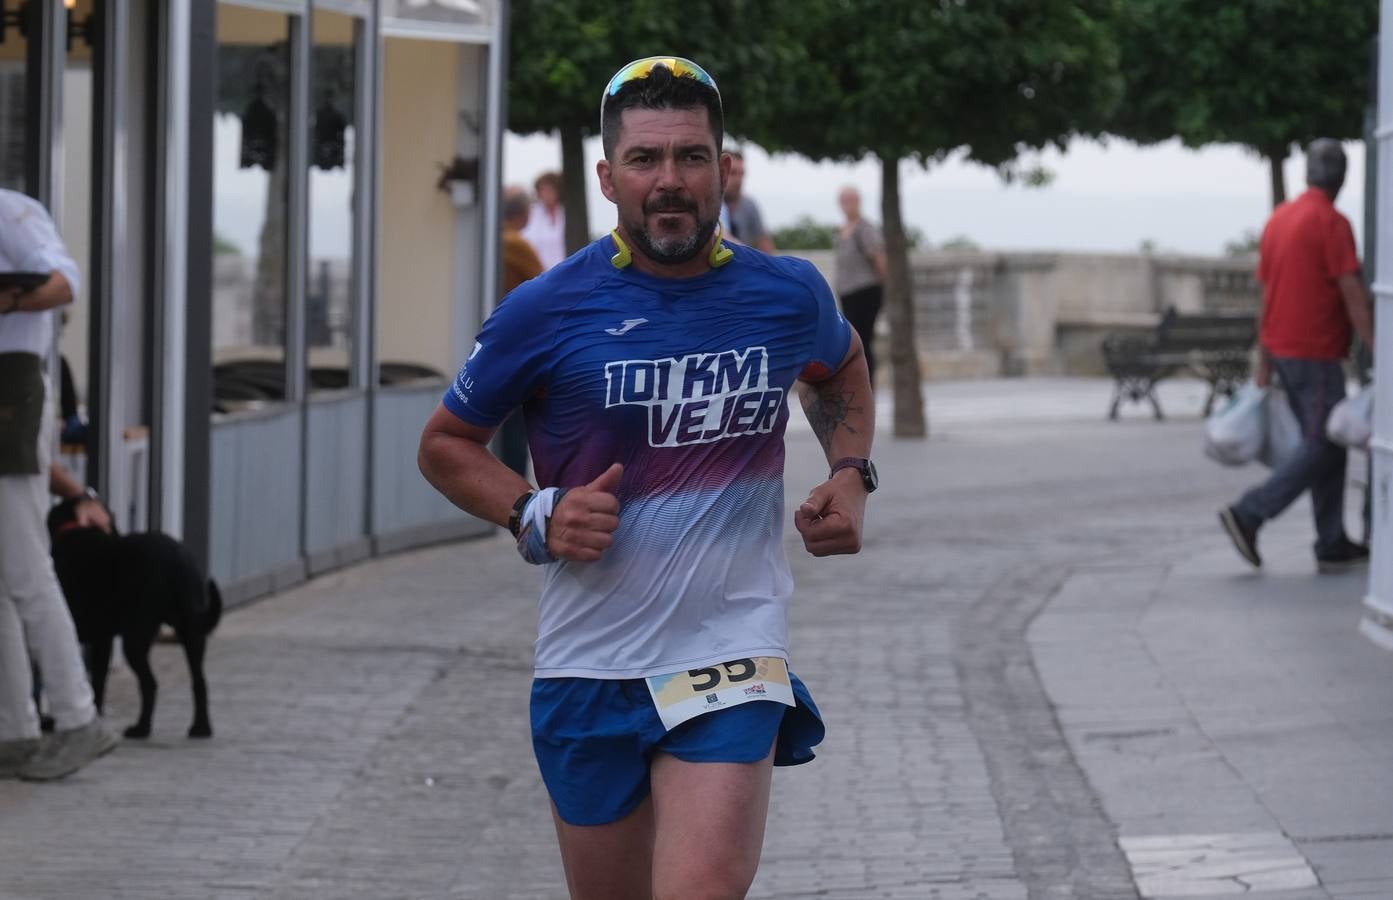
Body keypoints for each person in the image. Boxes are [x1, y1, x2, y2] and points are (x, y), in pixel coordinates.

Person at [419, 56, 877, 899]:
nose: (670, 181)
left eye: (691, 157)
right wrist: (531, 512)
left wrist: (849, 473)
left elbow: (841, 365)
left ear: (721, 168)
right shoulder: (546, 308)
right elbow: (446, 444)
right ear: (607, 176)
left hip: (730, 652)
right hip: (586, 664)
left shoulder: (785, 293)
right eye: (645, 159)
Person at [0, 187, 119, 780]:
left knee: (26, 571)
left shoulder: (9, 211)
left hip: (10, 391)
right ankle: (15, 730)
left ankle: (77, 719)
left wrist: (11, 298)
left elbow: (65, 282)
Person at [1219, 139, 1376, 573]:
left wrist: (1264, 357)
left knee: (1328, 443)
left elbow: (1267, 294)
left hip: (1284, 350)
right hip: (1317, 352)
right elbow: (1352, 294)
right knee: (1325, 444)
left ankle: (1331, 541)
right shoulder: (1332, 222)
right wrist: (1379, 346)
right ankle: (1250, 513)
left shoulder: (1279, 220)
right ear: (1342, 177)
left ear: (1308, 172)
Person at [496, 185, 546, 477]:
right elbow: (546, 285)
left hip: (500, 342)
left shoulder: (493, 239)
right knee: (516, 425)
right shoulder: (515, 243)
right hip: (517, 345)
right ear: (524, 214)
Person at [834, 185, 888, 389]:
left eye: (851, 200)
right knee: (853, 341)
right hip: (849, 292)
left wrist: (885, 286)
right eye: (844, 201)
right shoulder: (842, 229)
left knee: (863, 341)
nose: (847, 205)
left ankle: (868, 386)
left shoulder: (865, 228)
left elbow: (878, 257)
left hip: (866, 290)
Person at [723, 150, 775, 253]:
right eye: (733, 173)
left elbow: (764, 242)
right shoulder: (708, 204)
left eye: (742, 174)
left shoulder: (749, 205)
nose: (739, 180)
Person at [520, 171, 567, 270]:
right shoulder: (531, 214)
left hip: (564, 271)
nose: (547, 194)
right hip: (538, 272)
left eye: (550, 190)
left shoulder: (566, 214)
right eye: (543, 190)